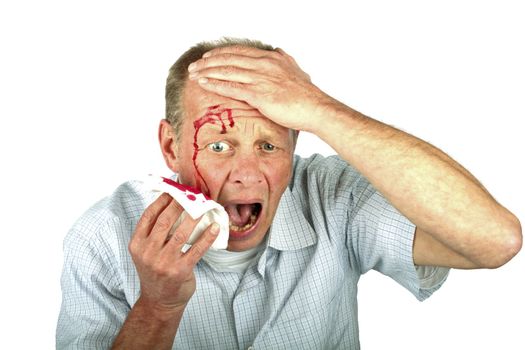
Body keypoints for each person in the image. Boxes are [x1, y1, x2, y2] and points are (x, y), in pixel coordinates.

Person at [56, 38, 522, 349]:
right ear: (170, 146)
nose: (248, 173)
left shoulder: (332, 196)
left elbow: (495, 240)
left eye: (269, 145)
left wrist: (320, 109)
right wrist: (158, 306)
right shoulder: (104, 234)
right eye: (218, 145)